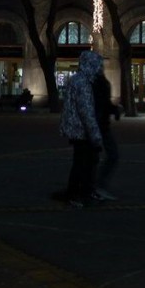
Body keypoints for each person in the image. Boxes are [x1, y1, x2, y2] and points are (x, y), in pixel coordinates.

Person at [55, 50, 104, 207]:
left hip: (77, 129)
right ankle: (75, 195)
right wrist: (95, 135)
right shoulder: (83, 83)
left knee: (84, 162)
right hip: (81, 131)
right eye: (98, 65)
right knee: (82, 163)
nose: (99, 69)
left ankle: (83, 192)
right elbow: (86, 111)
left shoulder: (78, 79)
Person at [92, 60, 121, 201]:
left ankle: (93, 186)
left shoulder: (97, 82)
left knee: (94, 157)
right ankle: (96, 187)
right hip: (98, 126)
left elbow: (104, 104)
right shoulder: (96, 83)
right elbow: (99, 105)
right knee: (111, 155)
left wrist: (114, 110)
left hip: (99, 125)